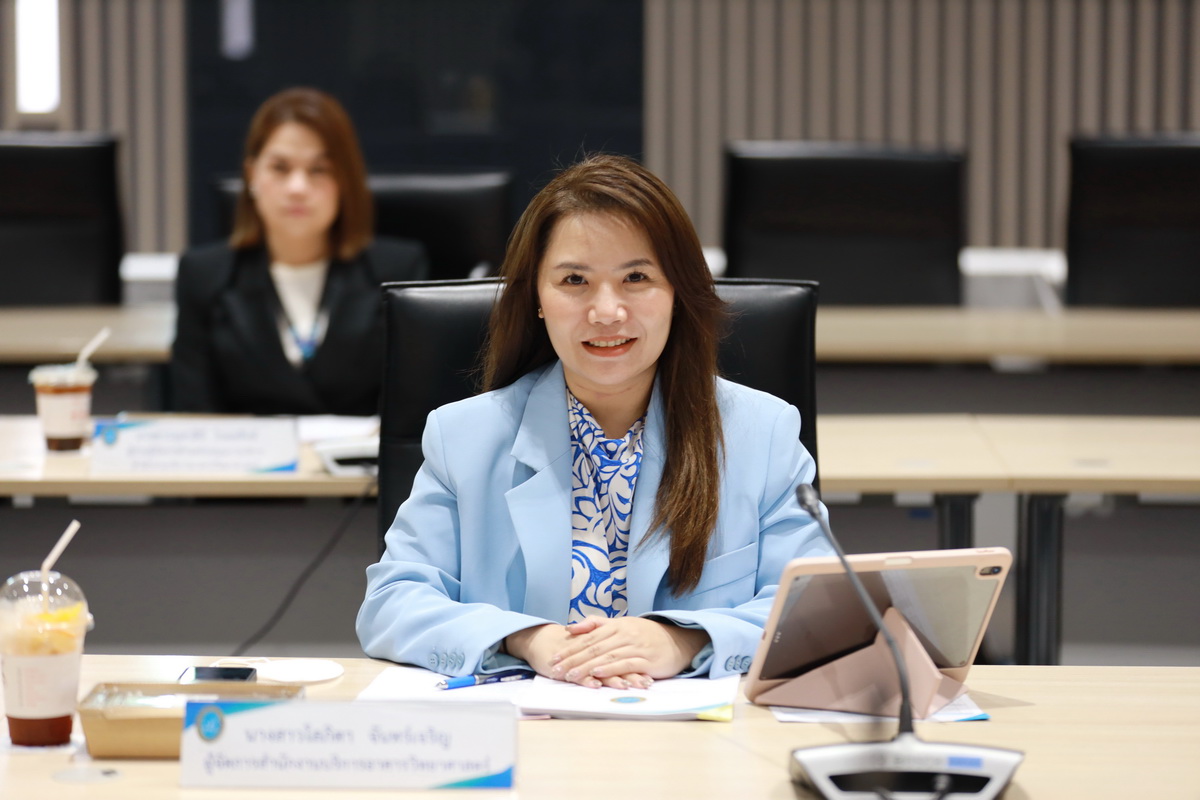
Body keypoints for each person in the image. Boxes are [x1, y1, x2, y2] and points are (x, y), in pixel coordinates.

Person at [357, 154, 829, 688]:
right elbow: (392, 603)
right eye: (574, 280)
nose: (606, 311)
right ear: (537, 298)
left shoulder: (762, 434)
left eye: (636, 277)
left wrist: (686, 640)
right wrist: (524, 638)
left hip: (693, 728)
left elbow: (815, 609)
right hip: (526, 723)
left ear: (678, 293)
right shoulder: (465, 436)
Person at [170, 87, 428, 415]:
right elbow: (194, 413)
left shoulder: (399, 273)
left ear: (345, 181)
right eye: (280, 168)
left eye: (319, 169)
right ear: (251, 175)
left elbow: (410, 410)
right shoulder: (202, 274)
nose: (298, 188)